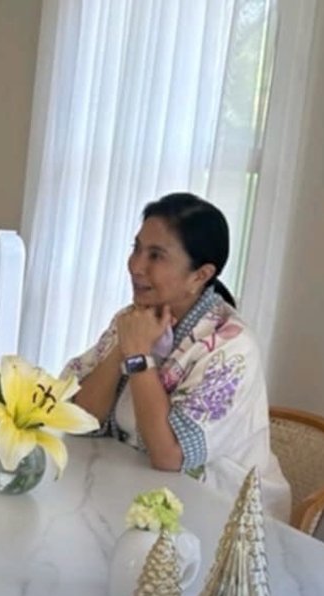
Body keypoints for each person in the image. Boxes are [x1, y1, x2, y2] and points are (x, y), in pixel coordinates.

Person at [62, 192, 291, 520]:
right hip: (137, 488)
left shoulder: (231, 346)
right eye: (136, 248)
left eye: (156, 255)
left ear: (200, 275)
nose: (136, 266)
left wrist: (138, 355)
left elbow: (170, 455)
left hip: (225, 516)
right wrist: (122, 346)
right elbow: (78, 417)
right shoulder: (136, 318)